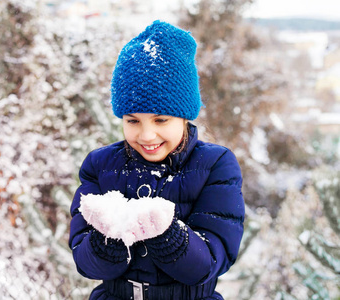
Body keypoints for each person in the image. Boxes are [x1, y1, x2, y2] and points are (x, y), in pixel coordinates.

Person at [69, 20, 245, 300]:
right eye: (133, 121)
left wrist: (166, 233)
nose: (146, 135)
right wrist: (108, 236)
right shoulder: (100, 166)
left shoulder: (216, 166)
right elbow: (85, 263)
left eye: (161, 119)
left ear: (184, 116)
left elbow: (210, 262)